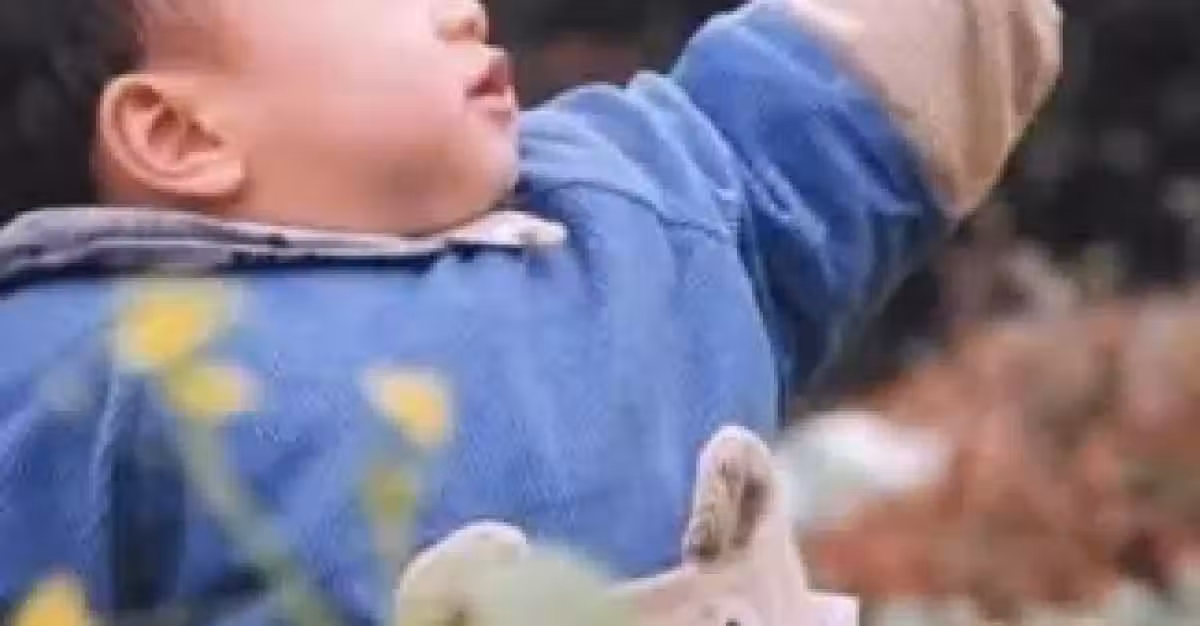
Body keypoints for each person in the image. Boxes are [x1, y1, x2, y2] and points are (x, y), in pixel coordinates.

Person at [0, 0, 1060, 623]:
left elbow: (827, 110)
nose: (463, 8)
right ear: (179, 134)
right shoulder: (70, 372)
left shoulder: (628, 206)